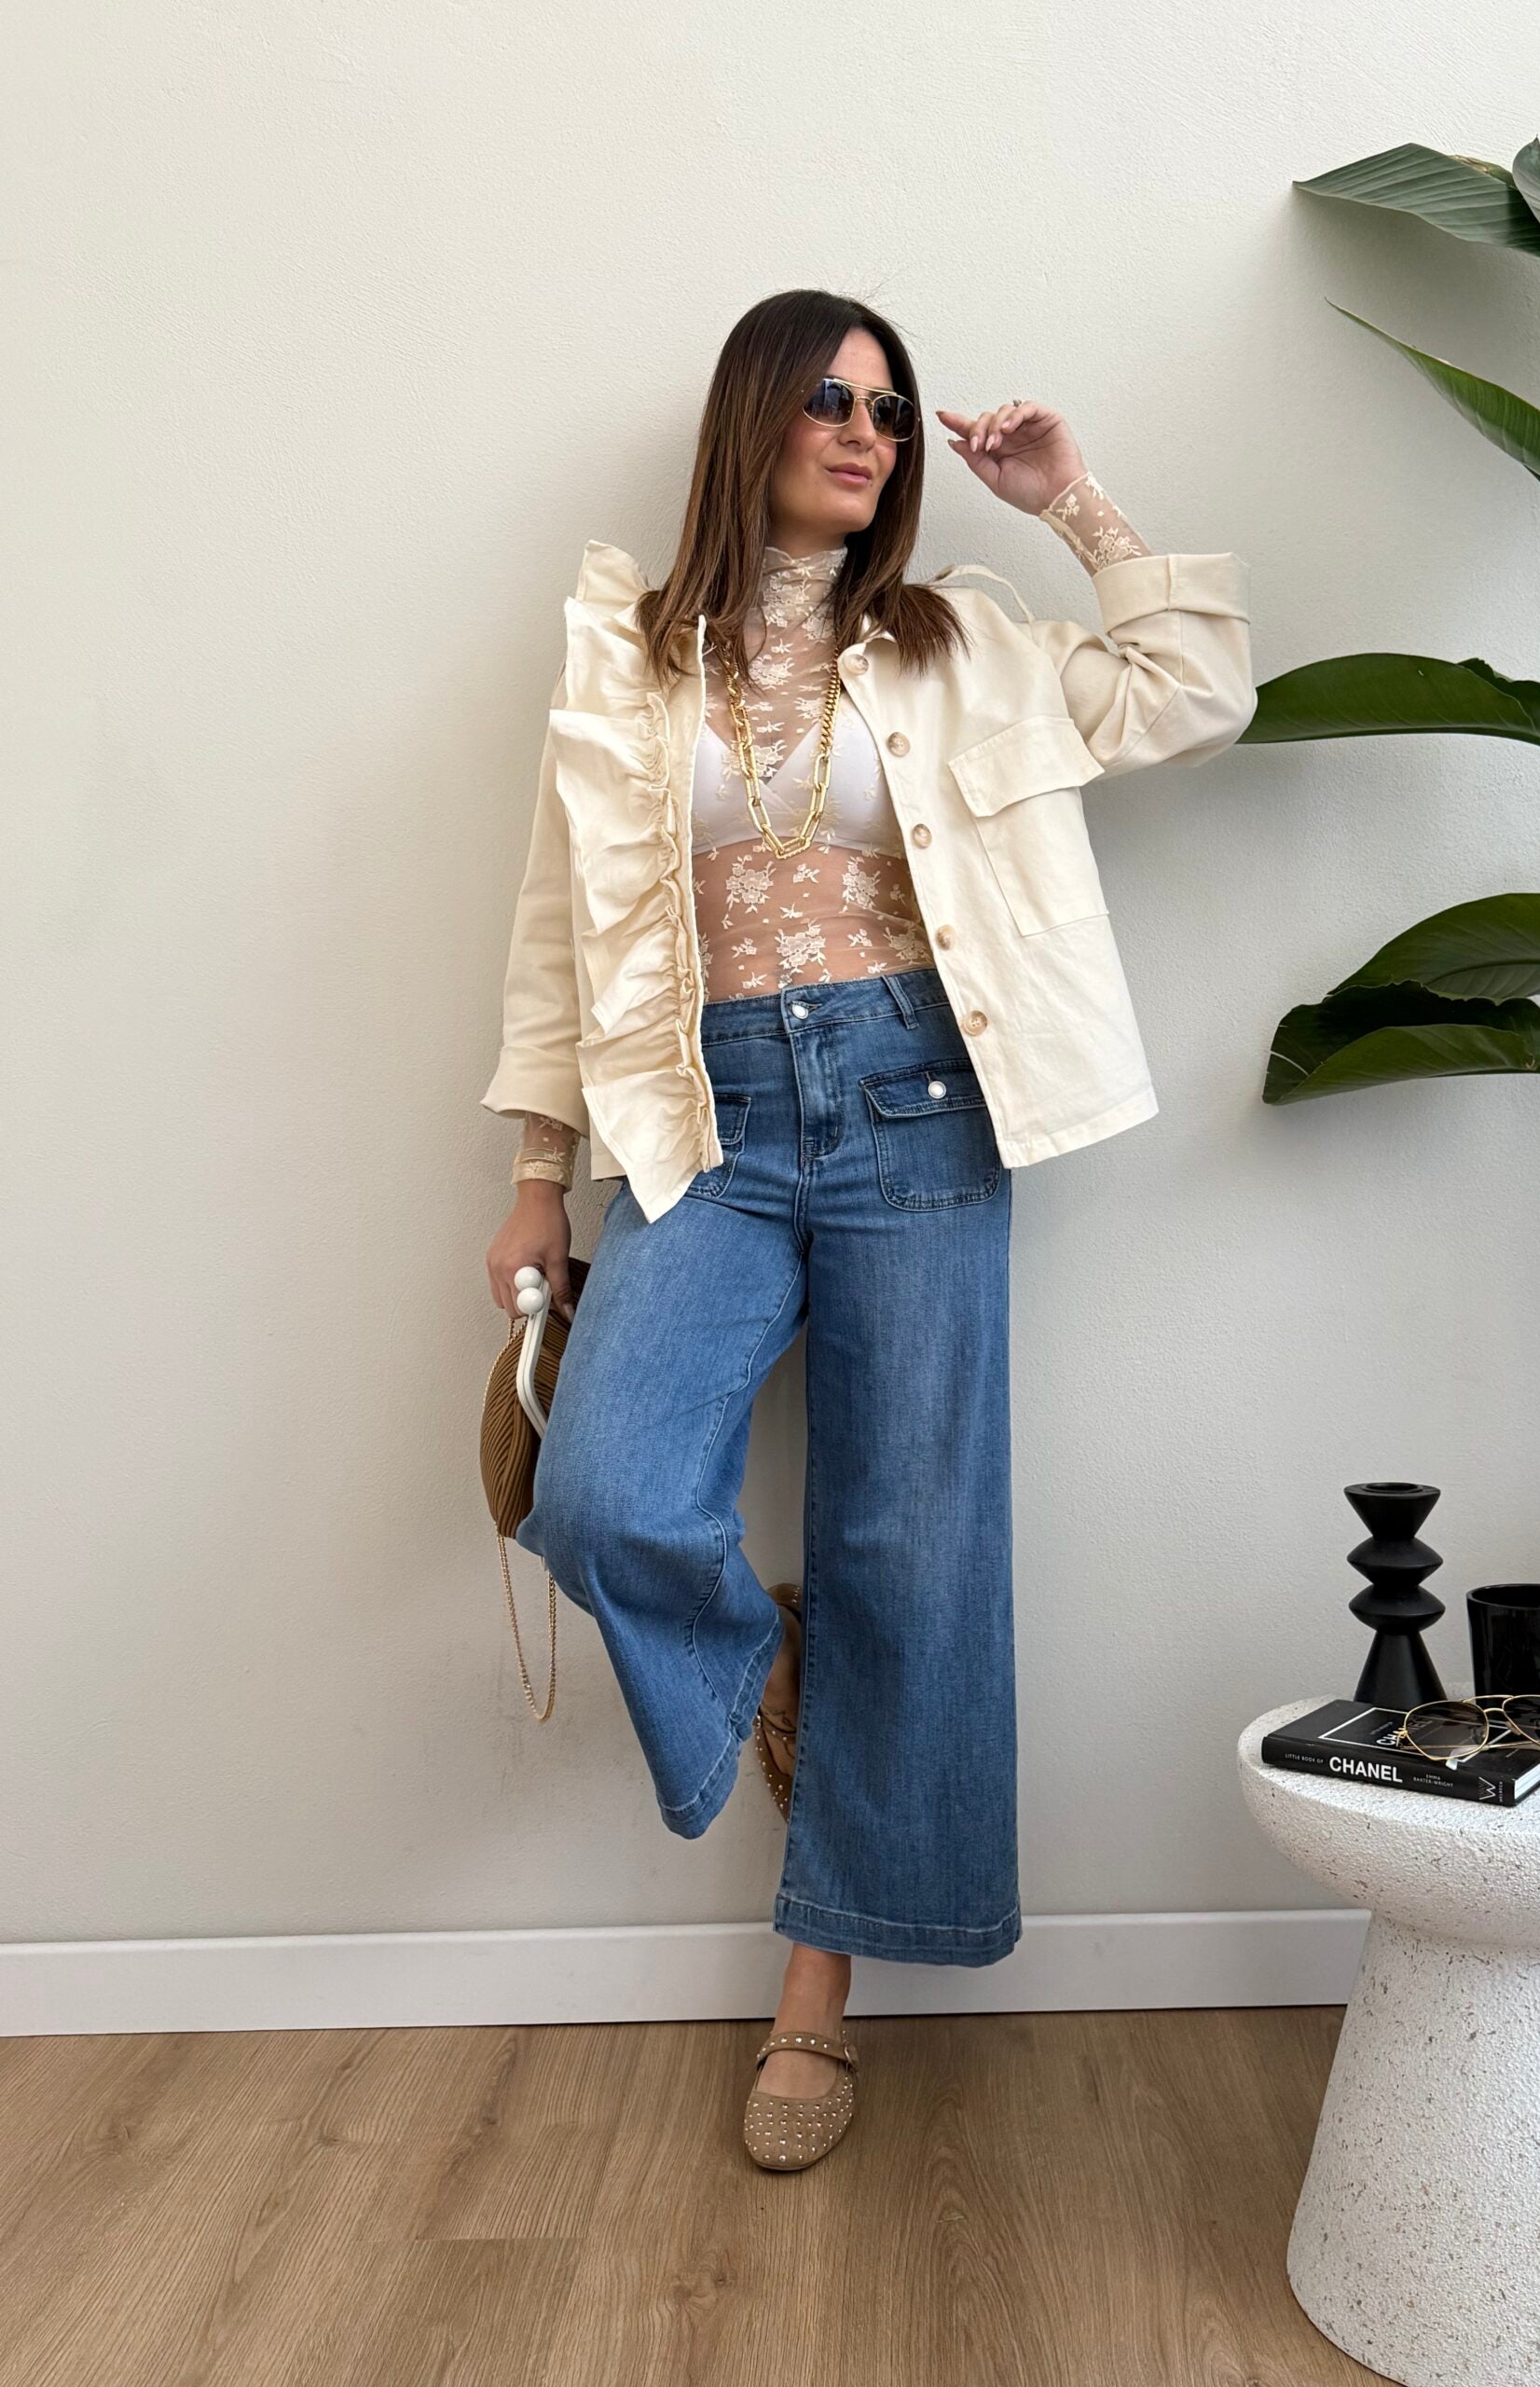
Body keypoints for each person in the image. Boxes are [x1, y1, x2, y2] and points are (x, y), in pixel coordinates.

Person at [480, 288, 1255, 2170]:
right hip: (705, 1122)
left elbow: (1195, 691)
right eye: (830, 399)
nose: (865, 432)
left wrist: (1071, 501)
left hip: (920, 1103)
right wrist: (533, 1174)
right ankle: (779, 1664)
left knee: (910, 1542)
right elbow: (559, 934)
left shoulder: (955, 638)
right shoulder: (627, 661)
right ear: (750, 416)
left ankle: (816, 1998)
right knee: (600, 1491)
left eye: (890, 412)